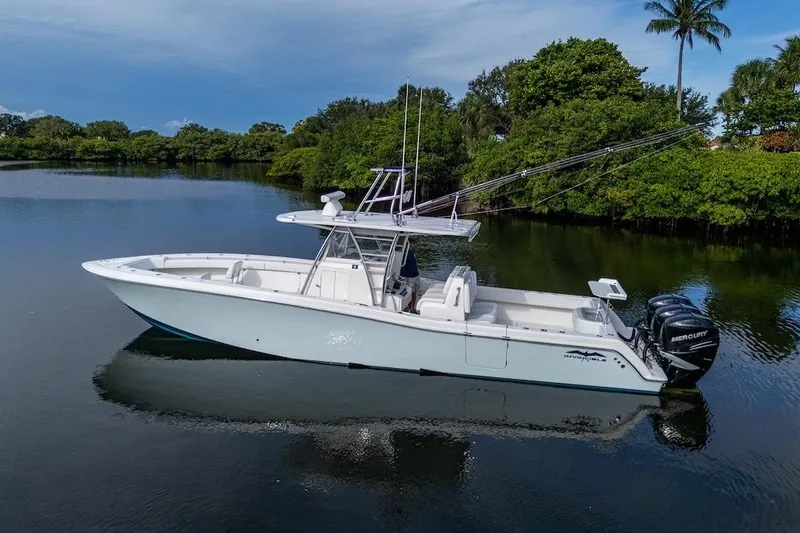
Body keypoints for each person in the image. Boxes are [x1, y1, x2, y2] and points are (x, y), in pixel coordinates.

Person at [400, 238, 420, 312]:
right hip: (409, 276)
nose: (415, 245)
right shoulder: (404, 253)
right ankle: (409, 308)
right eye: (413, 243)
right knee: (410, 293)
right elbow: (402, 266)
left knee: (415, 293)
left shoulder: (412, 252)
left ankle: (413, 308)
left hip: (415, 275)